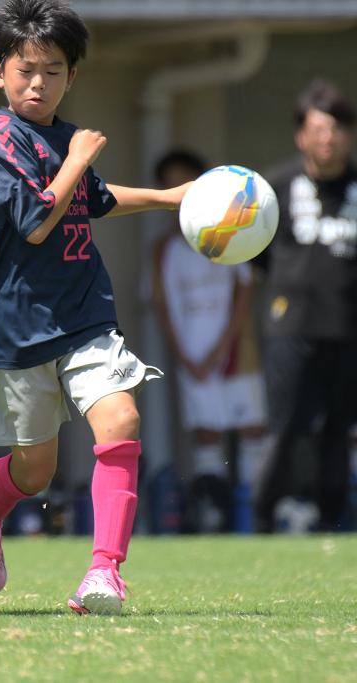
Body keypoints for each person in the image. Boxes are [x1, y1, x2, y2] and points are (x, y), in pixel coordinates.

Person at [0, 0, 190, 616]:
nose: (39, 83)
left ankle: (104, 575)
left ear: (71, 76)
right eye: (26, 69)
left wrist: (171, 199)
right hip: (15, 325)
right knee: (35, 471)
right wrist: (80, 156)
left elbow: (95, 200)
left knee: (121, 421)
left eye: (53, 70)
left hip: (85, 313)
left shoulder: (62, 137)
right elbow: (35, 220)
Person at [253, 80, 357, 533]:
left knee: (338, 431)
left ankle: (331, 520)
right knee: (285, 429)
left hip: (349, 330)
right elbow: (253, 250)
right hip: (290, 328)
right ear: (301, 135)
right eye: (317, 129)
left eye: (335, 129)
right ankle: (260, 520)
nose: (327, 138)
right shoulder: (275, 185)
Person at [151, 150, 268, 533]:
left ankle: (255, 509)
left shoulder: (232, 235)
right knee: (207, 431)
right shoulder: (164, 251)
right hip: (193, 354)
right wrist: (186, 355)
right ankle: (213, 511)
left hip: (234, 351)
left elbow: (244, 293)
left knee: (250, 426)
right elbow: (164, 307)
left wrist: (222, 346)